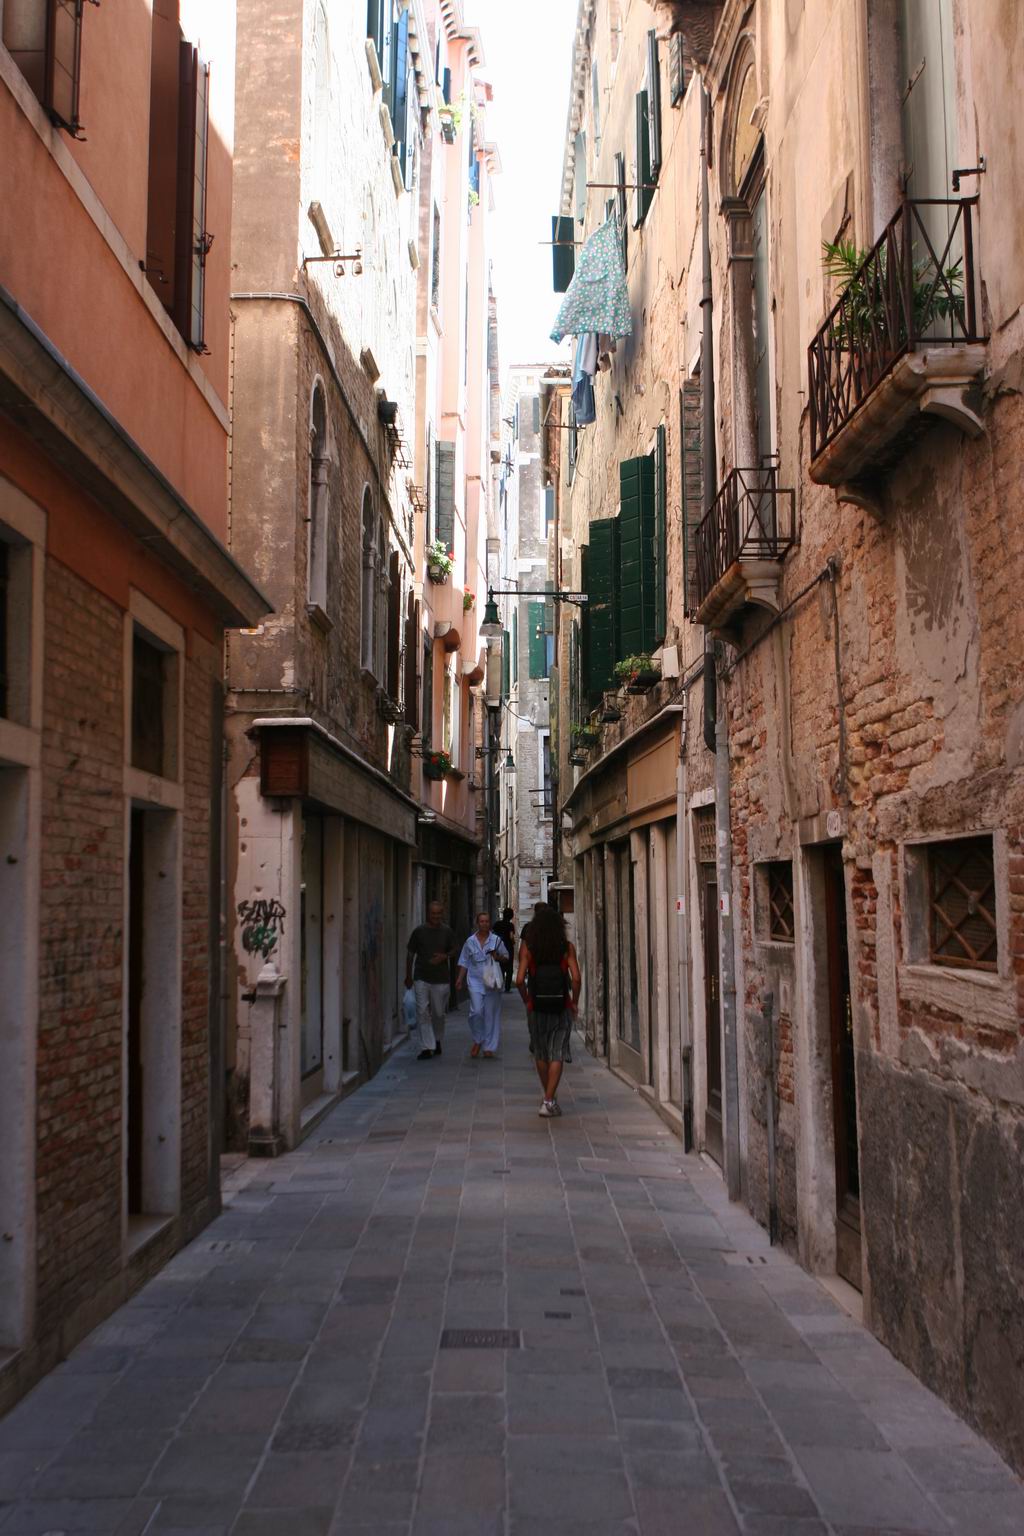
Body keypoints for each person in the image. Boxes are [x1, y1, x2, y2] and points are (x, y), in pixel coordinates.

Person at [517, 903, 581, 1118]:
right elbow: (576, 978)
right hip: (561, 1006)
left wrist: (527, 999)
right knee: (557, 1053)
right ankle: (549, 1100)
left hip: (536, 1007)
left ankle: (549, 1098)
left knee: (541, 1052)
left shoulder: (528, 948)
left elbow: (519, 980)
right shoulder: (567, 948)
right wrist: (574, 1002)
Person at [404, 901, 458, 1060]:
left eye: (438, 913)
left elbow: (455, 949)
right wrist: (408, 976)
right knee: (422, 1012)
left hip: (441, 978)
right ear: (428, 913)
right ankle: (427, 1047)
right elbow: (410, 954)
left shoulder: (447, 931)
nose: (436, 916)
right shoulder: (419, 931)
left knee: (439, 1013)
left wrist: (444, 956)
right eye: (433, 913)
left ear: (442, 913)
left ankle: (437, 1039)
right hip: (421, 977)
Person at [456, 911, 510, 1058]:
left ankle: (489, 1047)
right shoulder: (470, 942)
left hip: (492, 982)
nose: (484, 924)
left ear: (489, 923)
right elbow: (464, 961)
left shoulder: (496, 940)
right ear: (477, 923)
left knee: (491, 1014)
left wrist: (497, 957)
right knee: (476, 1012)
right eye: (482, 921)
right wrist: (460, 979)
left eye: (487, 921)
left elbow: (506, 957)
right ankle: (478, 1039)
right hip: (475, 981)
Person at [493, 907, 516, 991]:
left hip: (498, 947)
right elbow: (511, 936)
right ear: (511, 916)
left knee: (500, 966)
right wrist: (513, 942)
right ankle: (507, 987)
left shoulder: (497, 924)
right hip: (508, 947)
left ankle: (500, 984)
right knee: (509, 967)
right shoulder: (510, 925)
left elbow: (493, 934)